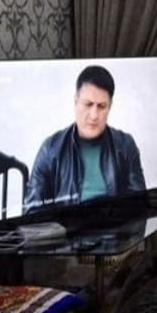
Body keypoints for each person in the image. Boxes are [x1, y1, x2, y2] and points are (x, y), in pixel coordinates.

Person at [23, 65, 146, 212]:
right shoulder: (50, 149)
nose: (94, 115)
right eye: (88, 104)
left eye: (101, 106)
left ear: (110, 106)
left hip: (115, 226)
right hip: (67, 227)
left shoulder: (125, 145)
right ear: (76, 101)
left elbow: (139, 205)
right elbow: (32, 211)